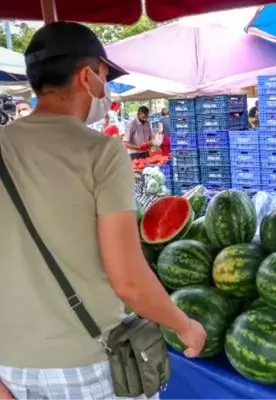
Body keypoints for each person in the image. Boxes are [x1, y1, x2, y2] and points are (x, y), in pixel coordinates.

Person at [0, 21, 206, 399]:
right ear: (86, 77)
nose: (105, 89)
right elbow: (127, 279)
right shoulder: (101, 152)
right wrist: (184, 325)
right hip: (86, 365)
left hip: (10, 367)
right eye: (105, 75)